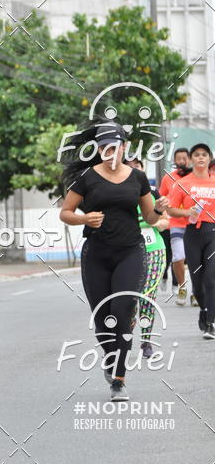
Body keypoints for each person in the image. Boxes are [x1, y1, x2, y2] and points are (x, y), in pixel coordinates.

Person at [59, 121, 167, 401]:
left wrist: (157, 208)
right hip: (96, 254)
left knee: (124, 309)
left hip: (130, 251)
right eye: (104, 148)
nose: (110, 152)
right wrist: (84, 218)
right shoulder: (87, 178)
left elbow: (152, 219)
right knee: (103, 318)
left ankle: (118, 379)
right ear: (99, 149)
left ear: (124, 147)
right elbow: (66, 212)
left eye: (115, 147)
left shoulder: (137, 178)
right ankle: (111, 358)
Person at [167, 143, 215, 338]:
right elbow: (170, 209)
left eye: (204, 154)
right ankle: (204, 310)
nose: (201, 158)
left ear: (210, 158)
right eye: (197, 155)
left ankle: (211, 321)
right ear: (191, 159)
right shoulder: (183, 183)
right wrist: (187, 212)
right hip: (192, 234)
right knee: (197, 280)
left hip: (213, 232)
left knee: (211, 278)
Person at [128, 157, 169, 357]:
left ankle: (146, 341)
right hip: (127, 251)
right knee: (128, 298)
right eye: (130, 166)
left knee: (147, 296)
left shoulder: (152, 193)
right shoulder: (118, 193)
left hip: (154, 250)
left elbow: (164, 221)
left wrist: (153, 223)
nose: (134, 169)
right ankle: (125, 336)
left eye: (137, 166)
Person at [159, 148, 192, 305]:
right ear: (174, 160)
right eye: (179, 158)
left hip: (196, 225)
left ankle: (197, 291)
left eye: (185, 158)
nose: (182, 161)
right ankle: (182, 286)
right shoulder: (168, 178)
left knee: (196, 260)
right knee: (178, 257)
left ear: (190, 160)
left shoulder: (197, 178)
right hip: (176, 224)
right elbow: (161, 197)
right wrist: (164, 211)